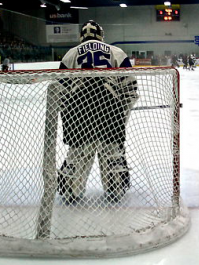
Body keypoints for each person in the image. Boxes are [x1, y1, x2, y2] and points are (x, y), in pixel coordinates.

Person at [56, 20, 139, 204]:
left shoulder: (71, 54)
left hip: (79, 109)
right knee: (111, 151)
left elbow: (60, 89)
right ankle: (115, 189)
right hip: (110, 108)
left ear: (82, 36)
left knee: (77, 152)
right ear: (101, 34)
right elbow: (130, 86)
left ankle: (71, 191)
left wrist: (68, 115)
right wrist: (122, 113)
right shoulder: (115, 51)